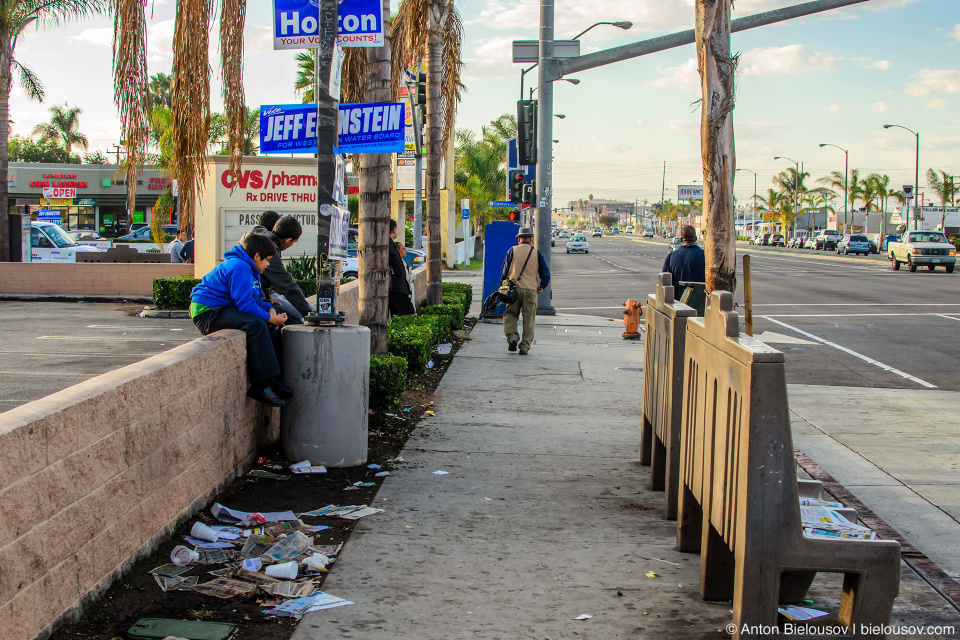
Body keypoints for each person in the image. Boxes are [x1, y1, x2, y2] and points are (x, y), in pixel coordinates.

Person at [189, 232, 293, 408]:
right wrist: (269, 318)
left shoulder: (251, 268)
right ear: (256, 256)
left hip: (224, 308)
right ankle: (260, 385)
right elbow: (244, 305)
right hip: (207, 312)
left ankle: (273, 378)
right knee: (256, 325)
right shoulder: (240, 267)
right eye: (266, 260)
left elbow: (256, 299)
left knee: (269, 325)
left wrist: (270, 311)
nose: (267, 265)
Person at [499, 227, 550, 355]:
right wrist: (542, 286)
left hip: (513, 290)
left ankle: (512, 339)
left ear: (519, 239)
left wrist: (503, 285)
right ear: (531, 239)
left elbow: (504, 273)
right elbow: (545, 273)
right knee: (529, 319)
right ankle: (524, 347)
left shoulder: (512, 251)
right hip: (530, 290)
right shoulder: (536, 253)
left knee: (510, 314)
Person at [258, 215, 311, 324]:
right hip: (253, 298)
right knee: (297, 320)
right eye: (293, 242)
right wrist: (308, 314)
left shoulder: (262, 236)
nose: (267, 263)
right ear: (288, 240)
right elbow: (287, 284)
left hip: (261, 295)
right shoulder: (269, 250)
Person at [662, 224, 706, 298]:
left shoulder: (671, 256)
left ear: (682, 239)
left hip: (677, 304)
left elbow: (664, 280)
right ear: (695, 239)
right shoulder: (705, 255)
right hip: (699, 303)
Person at [388, 219, 415, 316]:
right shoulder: (389, 245)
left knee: (410, 312)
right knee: (401, 314)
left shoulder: (391, 245)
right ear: (394, 230)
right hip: (396, 289)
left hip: (402, 288)